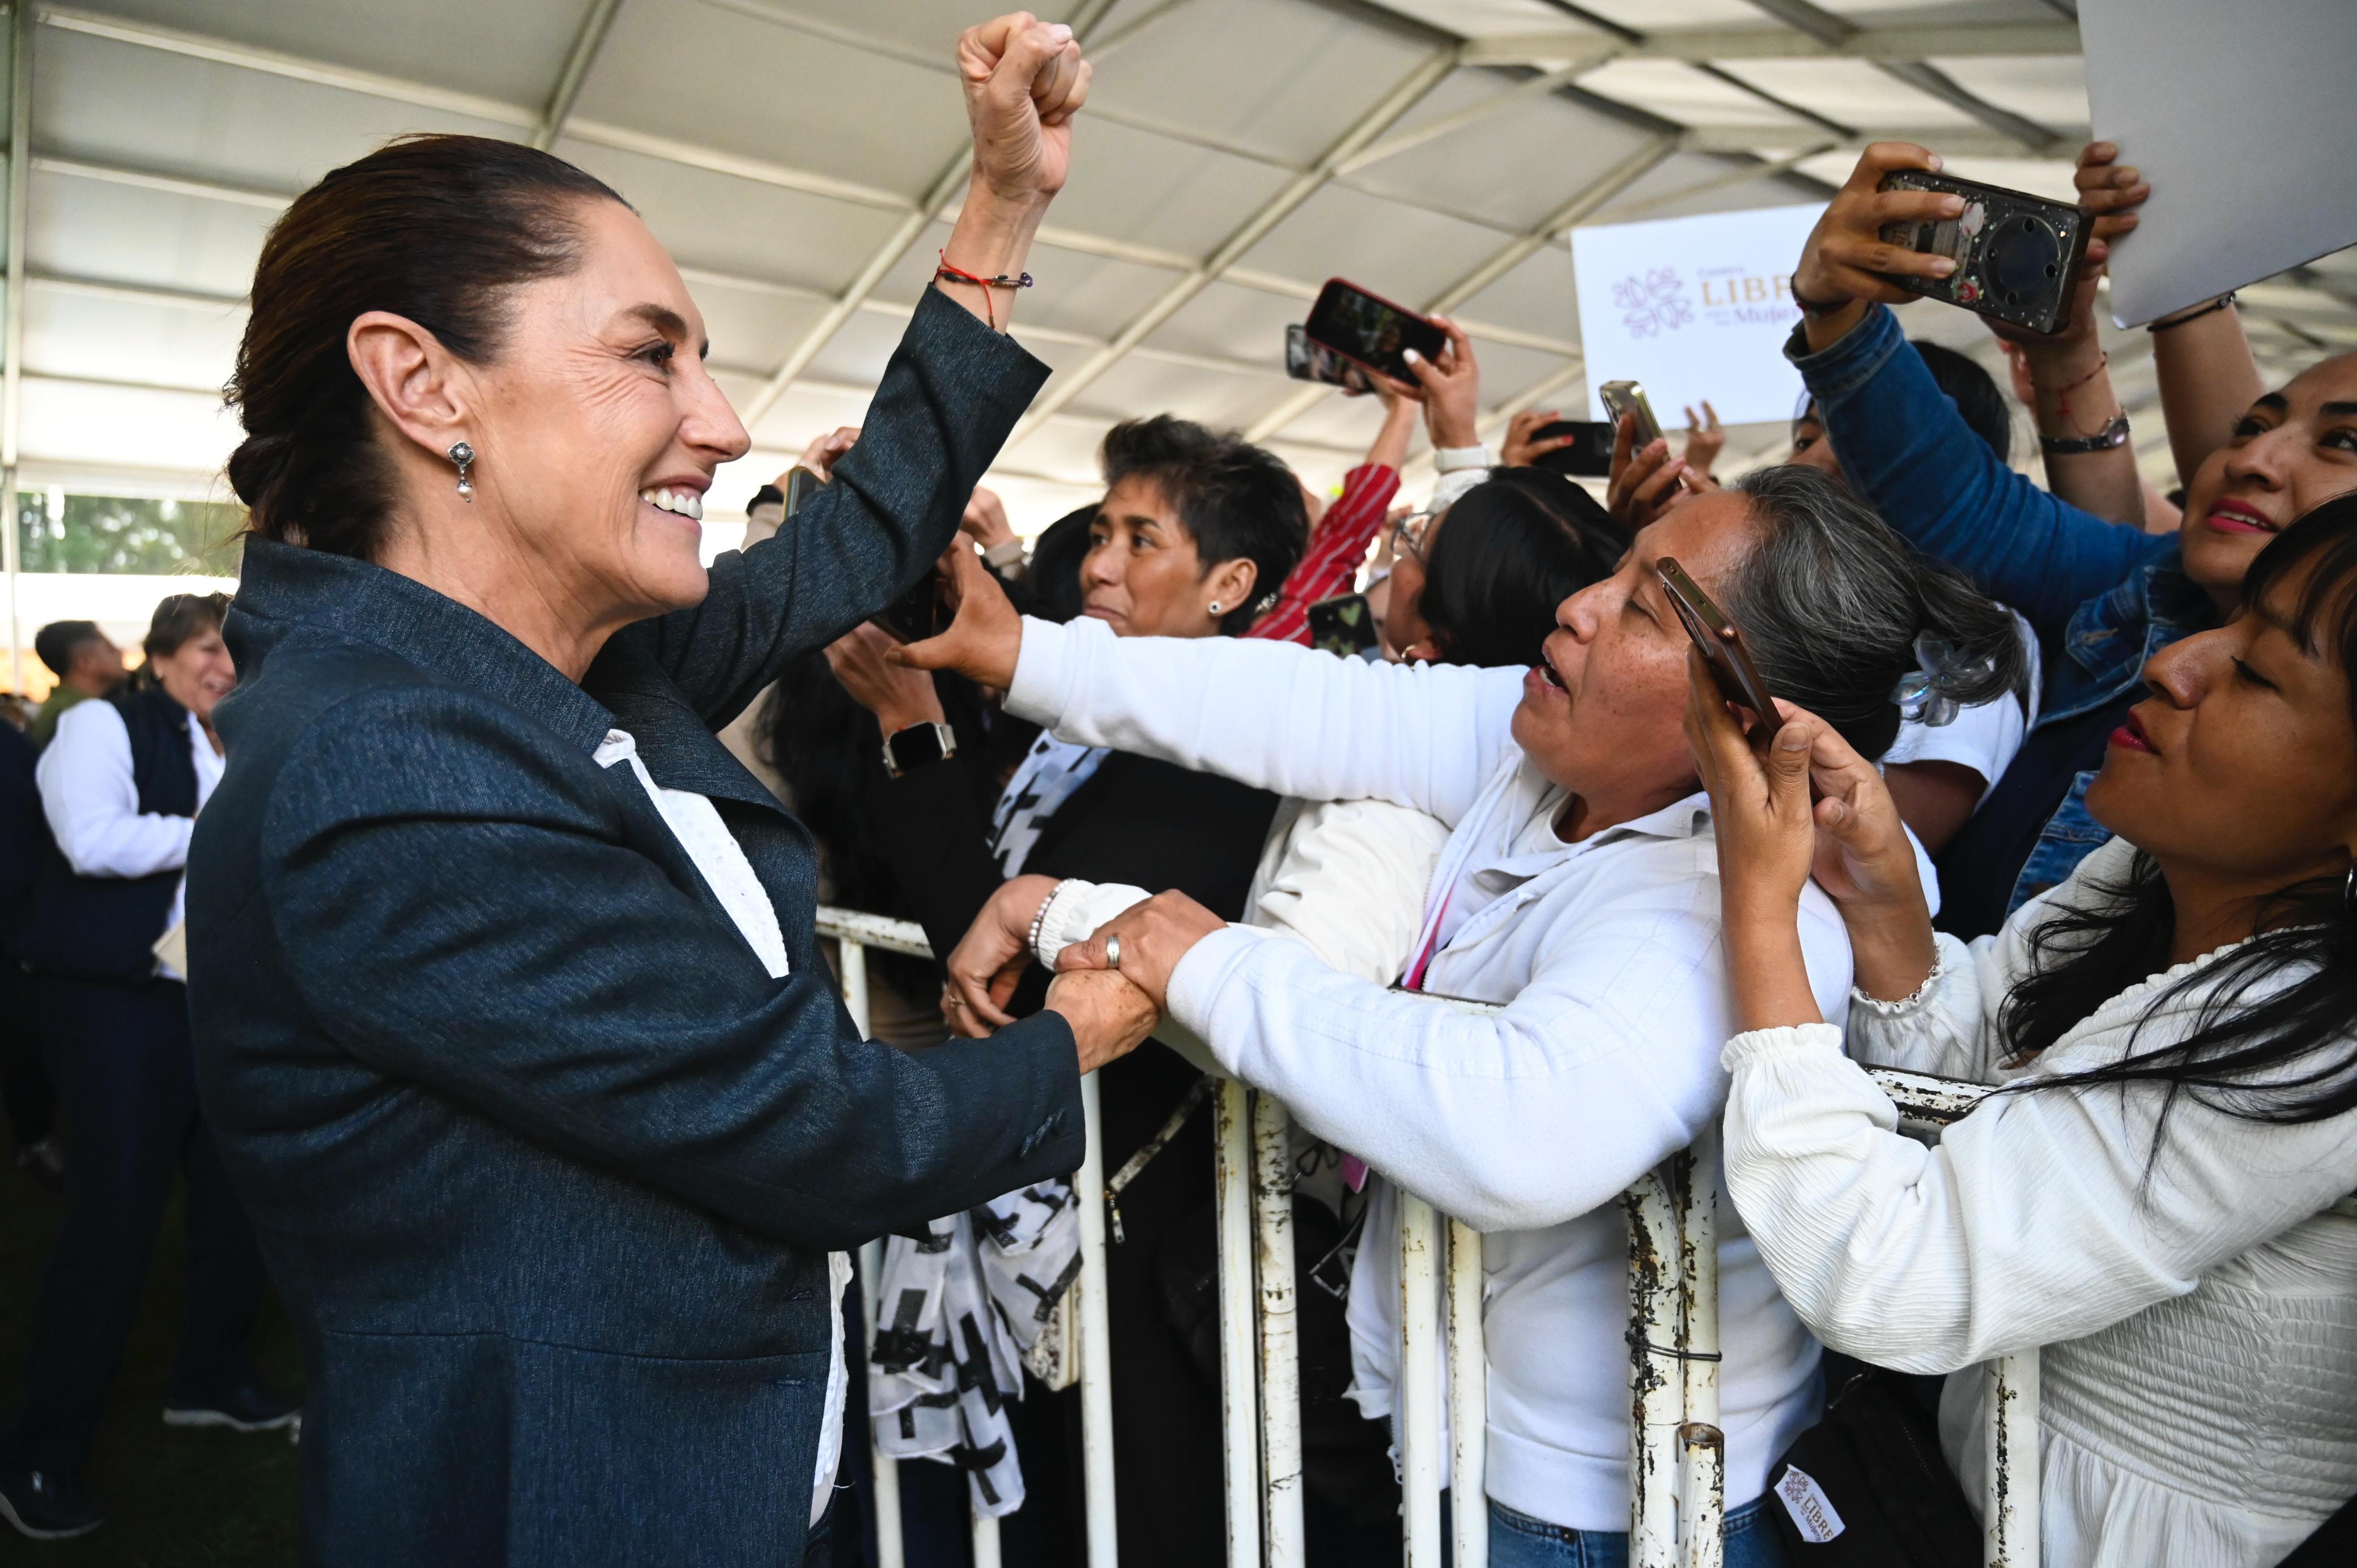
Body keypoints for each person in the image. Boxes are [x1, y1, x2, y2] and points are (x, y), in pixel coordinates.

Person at [177, 22, 1161, 1568]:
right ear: (420, 381)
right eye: (652, 354)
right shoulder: (394, 777)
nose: (725, 421)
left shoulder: (547, 667)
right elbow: (824, 1135)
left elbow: (850, 547)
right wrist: (1076, 1035)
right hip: (580, 1505)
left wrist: (1000, 214)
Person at [907, 463, 2024, 1565]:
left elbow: (1522, 1123)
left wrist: (1180, 950)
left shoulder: (1741, 906)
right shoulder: (1547, 743)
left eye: (1639, 606)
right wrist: (1022, 653)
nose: (1576, 605)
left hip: (1604, 1515)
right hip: (1453, 1444)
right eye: (1619, 570)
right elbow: (1306, 703)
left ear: (1747, 714)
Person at [1698, 492, 2357, 1567]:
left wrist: (1759, 908)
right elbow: (1985, 1084)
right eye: (2226, 622)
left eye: (2259, 672)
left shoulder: (2316, 1039)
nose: (2176, 661)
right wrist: (1879, 899)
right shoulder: (2140, 872)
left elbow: (1895, 1271)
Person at [824, 412, 1305, 1568]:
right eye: (1099, 531)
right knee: (1058, 1496)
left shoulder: (1219, 746)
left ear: (1232, 582)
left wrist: (910, 727)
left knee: (1133, 1502)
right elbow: (971, 905)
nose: (1097, 562)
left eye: (1141, 539)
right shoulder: (1087, 726)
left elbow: (997, 943)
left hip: (1129, 1201)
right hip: (1060, 1170)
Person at [1785, 139, 2357, 938]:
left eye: (2345, 444)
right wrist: (1837, 307)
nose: (2254, 459)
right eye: (2253, 425)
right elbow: (1961, 502)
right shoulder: (2144, 587)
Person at [1, 593, 287, 1542]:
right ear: (160, 654)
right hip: (115, 1008)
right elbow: (91, 840)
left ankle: (210, 1378)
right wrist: (231, 831)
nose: (226, 668)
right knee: (113, 1224)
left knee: (232, 1195)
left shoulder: (227, 737)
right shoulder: (97, 727)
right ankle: (43, 1449)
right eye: (211, 649)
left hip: (211, 1003)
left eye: (236, 655)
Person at [27, 621, 126, 752]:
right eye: (110, 648)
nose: (120, 653)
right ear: (85, 662)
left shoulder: (63, 707)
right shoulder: (75, 715)